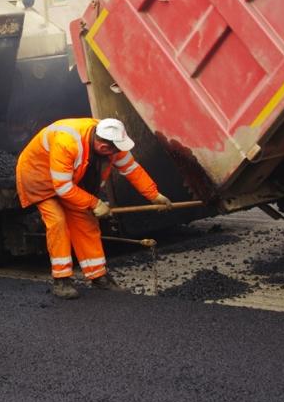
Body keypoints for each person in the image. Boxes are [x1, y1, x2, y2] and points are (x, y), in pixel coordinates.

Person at [16, 117, 173, 299]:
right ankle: (62, 280)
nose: (117, 155)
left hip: (69, 179)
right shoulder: (67, 143)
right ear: (104, 148)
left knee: (86, 221)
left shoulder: (114, 142)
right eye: (113, 152)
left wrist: (154, 195)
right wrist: (95, 203)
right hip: (38, 177)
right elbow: (62, 188)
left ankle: (98, 276)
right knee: (58, 221)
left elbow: (131, 169)